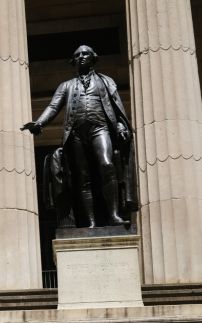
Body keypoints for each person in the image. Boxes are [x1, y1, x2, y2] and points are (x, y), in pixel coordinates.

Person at [22, 45, 138, 228]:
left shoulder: (106, 81)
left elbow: (116, 108)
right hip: (75, 134)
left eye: (85, 54)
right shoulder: (66, 85)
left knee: (107, 165)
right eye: (77, 55)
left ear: (93, 57)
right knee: (83, 178)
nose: (81, 57)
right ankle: (90, 221)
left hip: (100, 128)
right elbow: (53, 107)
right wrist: (39, 123)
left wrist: (121, 125)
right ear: (73, 61)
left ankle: (114, 214)